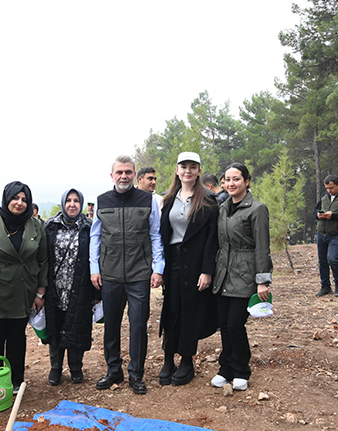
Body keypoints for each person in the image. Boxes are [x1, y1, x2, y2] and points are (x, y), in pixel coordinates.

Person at [90, 155, 165, 394]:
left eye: (128, 172)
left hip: (139, 274)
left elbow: (156, 234)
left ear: (135, 175)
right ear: (112, 175)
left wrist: (158, 268)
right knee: (111, 325)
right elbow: (95, 237)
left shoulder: (148, 200)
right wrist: (94, 268)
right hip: (110, 274)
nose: (124, 176)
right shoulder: (102, 201)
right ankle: (114, 371)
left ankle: (136, 374)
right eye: (119, 172)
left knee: (138, 326)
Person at [0, 181, 48, 393]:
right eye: (15, 198)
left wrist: (41, 293)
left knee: (17, 338)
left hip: (24, 291)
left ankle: (15, 382)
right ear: (7, 199)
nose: (19, 203)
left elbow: (43, 261)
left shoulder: (35, 226)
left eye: (24, 199)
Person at [158, 152, 219, 386]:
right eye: (183, 166)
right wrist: (160, 268)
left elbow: (212, 238)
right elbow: (163, 235)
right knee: (171, 308)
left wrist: (207, 270)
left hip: (195, 261)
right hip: (172, 260)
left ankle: (186, 360)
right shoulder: (169, 199)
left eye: (193, 167)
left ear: (199, 171)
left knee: (190, 310)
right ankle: (167, 357)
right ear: (177, 170)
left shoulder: (209, 200)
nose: (188, 171)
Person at [212, 163, 273, 391]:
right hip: (224, 274)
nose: (231, 183)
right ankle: (225, 368)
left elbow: (262, 247)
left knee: (236, 325)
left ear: (247, 181)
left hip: (245, 274)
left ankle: (241, 370)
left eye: (236, 179)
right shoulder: (223, 208)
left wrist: (262, 280)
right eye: (227, 179)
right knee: (225, 326)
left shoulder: (257, 209)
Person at [43, 188, 97, 386]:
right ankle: (55, 367)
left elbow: (96, 259)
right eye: (68, 201)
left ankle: (76, 367)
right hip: (55, 287)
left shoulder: (89, 227)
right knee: (56, 328)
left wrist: (96, 291)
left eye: (76, 201)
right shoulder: (50, 226)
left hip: (80, 287)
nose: (72, 204)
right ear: (63, 203)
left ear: (81, 204)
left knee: (77, 327)